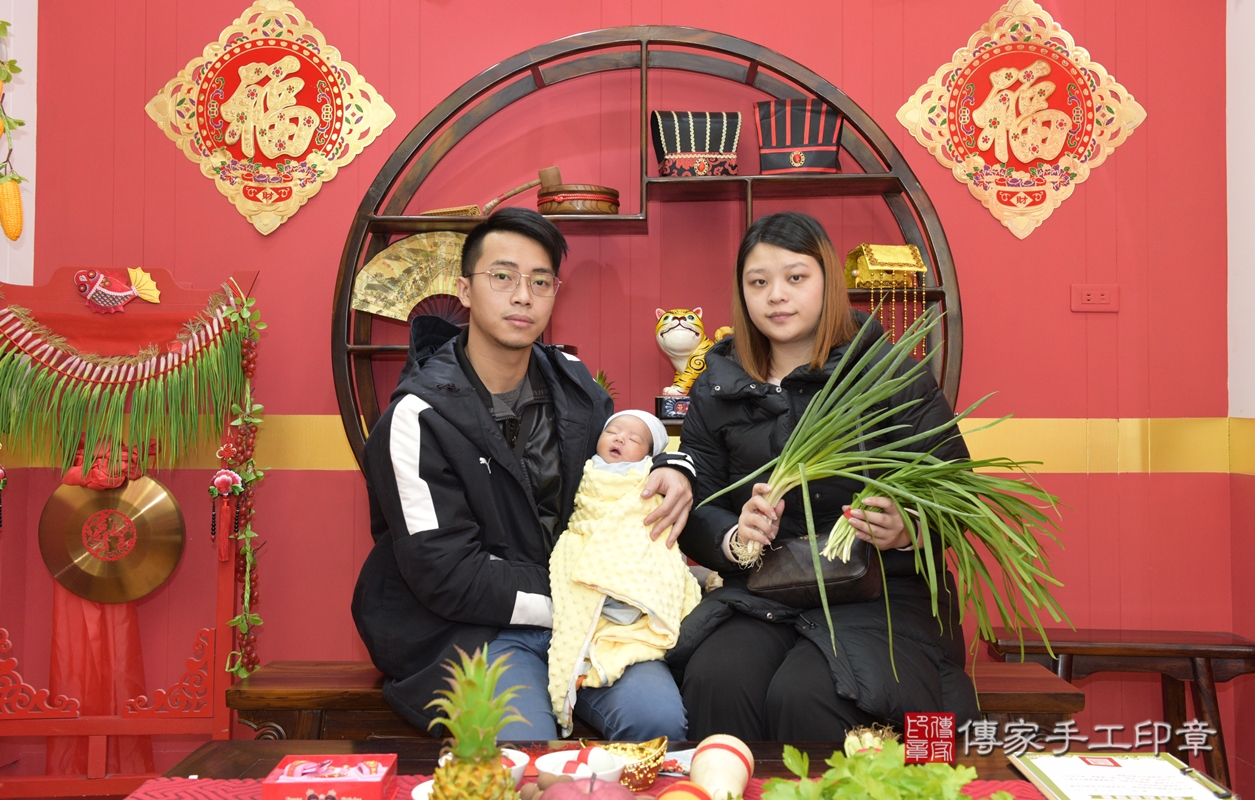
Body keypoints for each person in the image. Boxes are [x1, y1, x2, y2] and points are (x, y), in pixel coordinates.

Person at [352, 208, 694, 740]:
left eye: (540, 281)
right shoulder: (418, 417)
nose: (522, 296)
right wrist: (581, 596)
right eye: (502, 277)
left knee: (659, 722)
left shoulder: (574, 386)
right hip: (472, 629)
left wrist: (674, 466)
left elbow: (621, 454)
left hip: (589, 622)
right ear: (464, 290)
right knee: (527, 748)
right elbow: (447, 576)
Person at [669, 211, 981, 741]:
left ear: (828, 281)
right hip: (763, 589)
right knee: (718, 678)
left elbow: (958, 493)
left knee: (810, 694)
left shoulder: (888, 373)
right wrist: (736, 536)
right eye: (758, 282)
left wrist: (908, 526)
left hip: (881, 592)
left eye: (796, 277)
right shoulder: (718, 385)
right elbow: (699, 506)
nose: (776, 296)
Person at [547, 410, 702, 737]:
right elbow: (585, 511)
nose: (620, 438)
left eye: (634, 439)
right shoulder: (584, 468)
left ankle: (624, 605)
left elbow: (674, 475)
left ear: (649, 454)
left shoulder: (648, 474)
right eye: (613, 432)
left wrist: (674, 467)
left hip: (632, 549)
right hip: (579, 546)